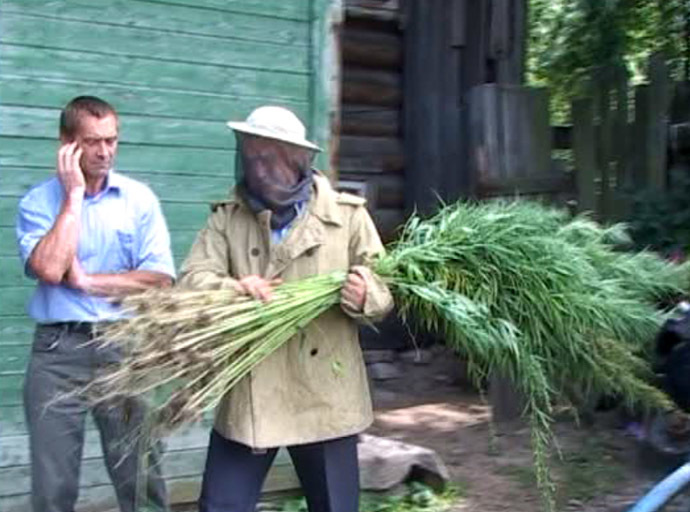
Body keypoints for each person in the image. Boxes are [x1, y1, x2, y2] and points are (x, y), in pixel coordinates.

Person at [179, 105, 394, 512]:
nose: (256, 168)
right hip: (251, 387)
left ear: (295, 159)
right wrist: (234, 290)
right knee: (220, 505)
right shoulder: (228, 217)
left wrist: (366, 297)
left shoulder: (347, 216)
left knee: (334, 506)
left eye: (267, 157)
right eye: (251, 156)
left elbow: (383, 286)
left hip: (325, 390)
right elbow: (192, 279)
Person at [15, 96, 174, 512]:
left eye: (112, 141)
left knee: (141, 479)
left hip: (123, 348)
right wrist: (73, 198)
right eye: (92, 142)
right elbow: (49, 268)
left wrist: (88, 281)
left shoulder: (140, 201)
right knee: (53, 487)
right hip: (57, 354)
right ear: (67, 144)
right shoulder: (38, 202)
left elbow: (158, 279)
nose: (105, 152)